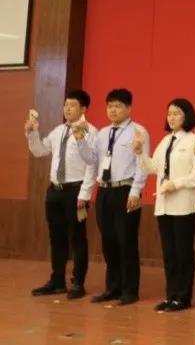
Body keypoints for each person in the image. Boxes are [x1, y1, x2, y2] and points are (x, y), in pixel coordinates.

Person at [75, 88, 149, 305]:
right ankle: (112, 287)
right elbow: (91, 160)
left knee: (126, 240)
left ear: (129, 108)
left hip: (126, 189)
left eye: (118, 106)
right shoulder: (102, 134)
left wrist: (136, 191)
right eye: (110, 106)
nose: (113, 110)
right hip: (104, 191)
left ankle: (130, 290)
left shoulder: (138, 132)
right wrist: (80, 141)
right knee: (108, 241)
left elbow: (142, 164)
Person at [24, 89, 97, 300]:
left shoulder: (90, 131)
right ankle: (57, 281)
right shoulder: (58, 131)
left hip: (75, 191)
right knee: (56, 238)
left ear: (83, 109)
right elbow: (39, 151)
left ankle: (78, 283)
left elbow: (92, 164)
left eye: (72, 105)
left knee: (77, 238)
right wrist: (32, 133)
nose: (67, 109)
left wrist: (84, 194)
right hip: (55, 191)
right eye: (65, 105)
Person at [135, 98, 195, 312]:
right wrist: (140, 152)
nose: (171, 117)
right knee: (169, 253)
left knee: (183, 252)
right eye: (169, 114)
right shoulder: (166, 141)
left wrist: (176, 184)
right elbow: (153, 168)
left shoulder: (194, 141)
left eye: (176, 113)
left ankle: (183, 297)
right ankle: (171, 295)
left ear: (187, 116)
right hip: (163, 205)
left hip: (183, 205)